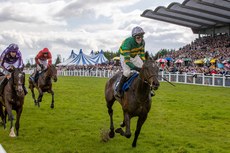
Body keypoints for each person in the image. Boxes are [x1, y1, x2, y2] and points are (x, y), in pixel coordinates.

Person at [116, 26, 154, 98]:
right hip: (125, 56)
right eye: (138, 37)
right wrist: (137, 68)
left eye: (141, 36)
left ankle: (149, 89)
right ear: (134, 37)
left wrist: (145, 63)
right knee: (127, 72)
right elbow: (127, 61)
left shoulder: (143, 42)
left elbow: (142, 54)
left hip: (135, 55)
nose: (140, 39)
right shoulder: (127, 43)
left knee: (144, 70)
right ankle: (119, 89)